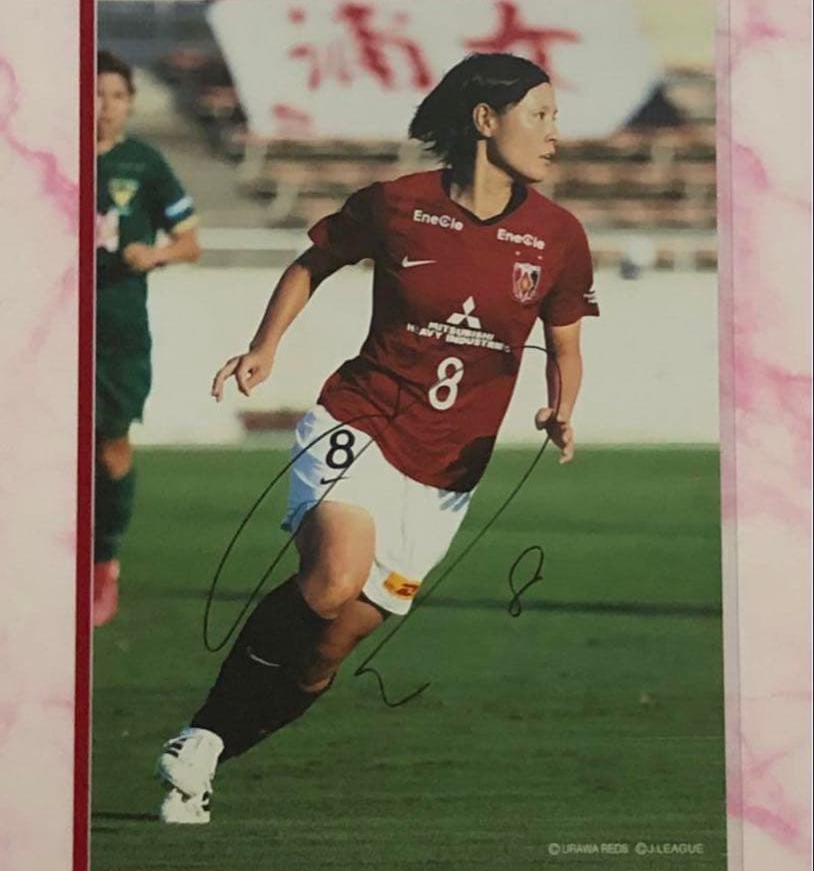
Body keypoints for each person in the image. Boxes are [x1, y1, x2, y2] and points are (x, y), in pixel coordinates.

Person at [155, 51, 599, 823]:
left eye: (555, 117)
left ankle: (205, 752)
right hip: (360, 418)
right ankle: (200, 739)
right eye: (540, 115)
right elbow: (312, 263)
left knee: (324, 654)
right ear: (485, 120)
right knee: (332, 580)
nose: (554, 132)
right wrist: (264, 347)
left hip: (447, 474)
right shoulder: (397, 205)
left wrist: (561, 408)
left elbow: (565, 347)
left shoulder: (557, 236)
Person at [94, 50, 201, 626]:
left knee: (110, 447)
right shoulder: (45, 155)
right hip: (48, 336)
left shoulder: (143, 163)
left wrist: (155, 254)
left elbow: (190, 242)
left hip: (118, 335)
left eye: (116, 96)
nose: (104, 107)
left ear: (131, 103)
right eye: (95, 94)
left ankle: (103, 563)